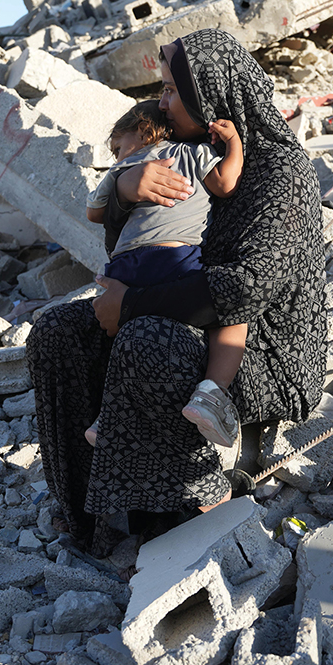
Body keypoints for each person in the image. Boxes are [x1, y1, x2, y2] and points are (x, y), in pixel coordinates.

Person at [27, 28, 327, 556]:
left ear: (207, 97)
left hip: (253, 350)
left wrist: (132, 306)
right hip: (186, 315)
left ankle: (185, 511)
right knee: (57, 332)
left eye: (170, 90)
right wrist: (124, 192)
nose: (160, 102)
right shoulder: (178, 155)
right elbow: (131, 251)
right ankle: (85, 513)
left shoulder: (281, 175)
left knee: (147, 338)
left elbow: (246, 287)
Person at [83, 98, 247, 448]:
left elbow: (93, 214)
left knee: (122, 338)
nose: (117, 156)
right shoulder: (195, 154)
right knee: (231, 315)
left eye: (118, 147)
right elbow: (228, 184)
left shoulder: (121, 170)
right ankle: (211, 394)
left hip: (125, 266)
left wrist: (124, 184)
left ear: (143, 132)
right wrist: (234, 143)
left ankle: (108, 417)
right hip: (175, 257)